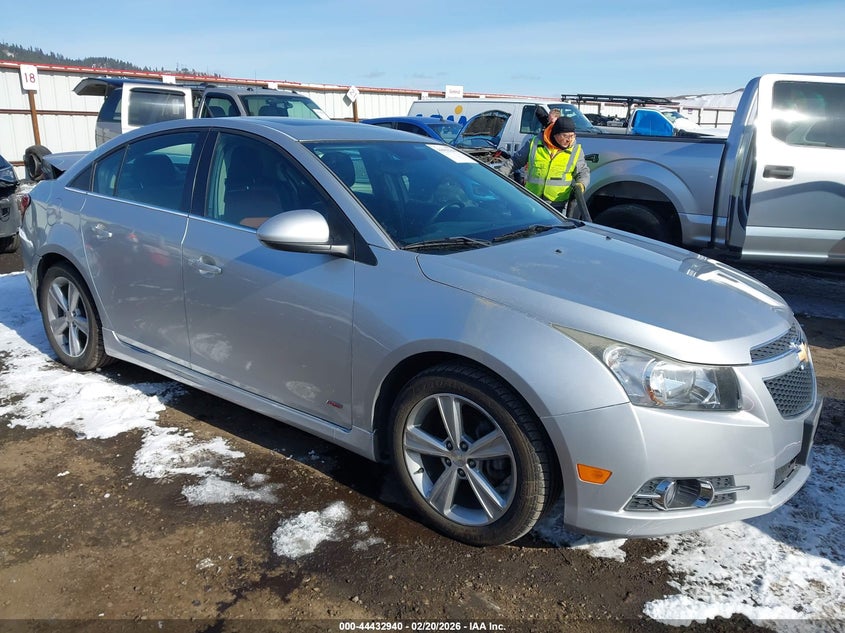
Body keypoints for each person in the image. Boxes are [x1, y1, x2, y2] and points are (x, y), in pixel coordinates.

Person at [503, 115, 590, 219]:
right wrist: (497, 175)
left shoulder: (576, 150)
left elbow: (583, 172)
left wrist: (581, 184)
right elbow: (515, 161)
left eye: (572, 136)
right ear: (555, 134)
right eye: (566, 136)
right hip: (532, 201)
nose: (569, 140)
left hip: (557, 206)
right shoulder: (534, 143)